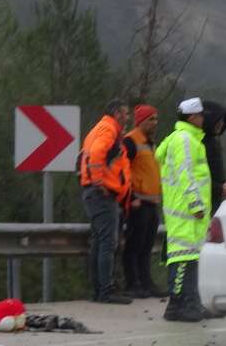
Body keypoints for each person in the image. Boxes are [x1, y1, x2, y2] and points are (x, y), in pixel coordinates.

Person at [157, 98, 212, 322]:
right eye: (200, 115)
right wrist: (195, 204)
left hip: (189, 212)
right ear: (192, 117)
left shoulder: (188, 139)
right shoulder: (184, 139)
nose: (203, 119)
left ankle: (192, 302)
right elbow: (185, 172)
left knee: (191, 258)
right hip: (185, 211)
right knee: (182, 258)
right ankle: (177, 305)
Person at [79, 99, 133, 304]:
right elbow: (96, 154)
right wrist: (99, 181)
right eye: (126, 113)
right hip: (101, 193)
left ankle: (100, 290)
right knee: (108, 242)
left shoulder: (102, 128)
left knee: (100, 242)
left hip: (94, 192)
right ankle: (105, 291)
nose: (127, 118)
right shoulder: (108, 129)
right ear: (117, 114)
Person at [121, 105, 166, 298]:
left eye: (156, 119)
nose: (154, 123)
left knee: (147, 246)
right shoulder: (130, 141)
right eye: (151, 119)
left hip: (151, 202)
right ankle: (133, 284)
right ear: (140, 121)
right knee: (134, 245)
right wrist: (130, 198)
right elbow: (122, 170)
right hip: (138, 202)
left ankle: (146, 283)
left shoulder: (150, 143)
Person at [201, 101, 226, 216]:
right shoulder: (200, 143)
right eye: (218, 120)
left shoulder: (214, 142)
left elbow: (217, 169)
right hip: (203, 200)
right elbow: (197, 176)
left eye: (223, 120)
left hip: (215, 199)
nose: (222, 124)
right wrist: (220, 188)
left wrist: (225, 183)